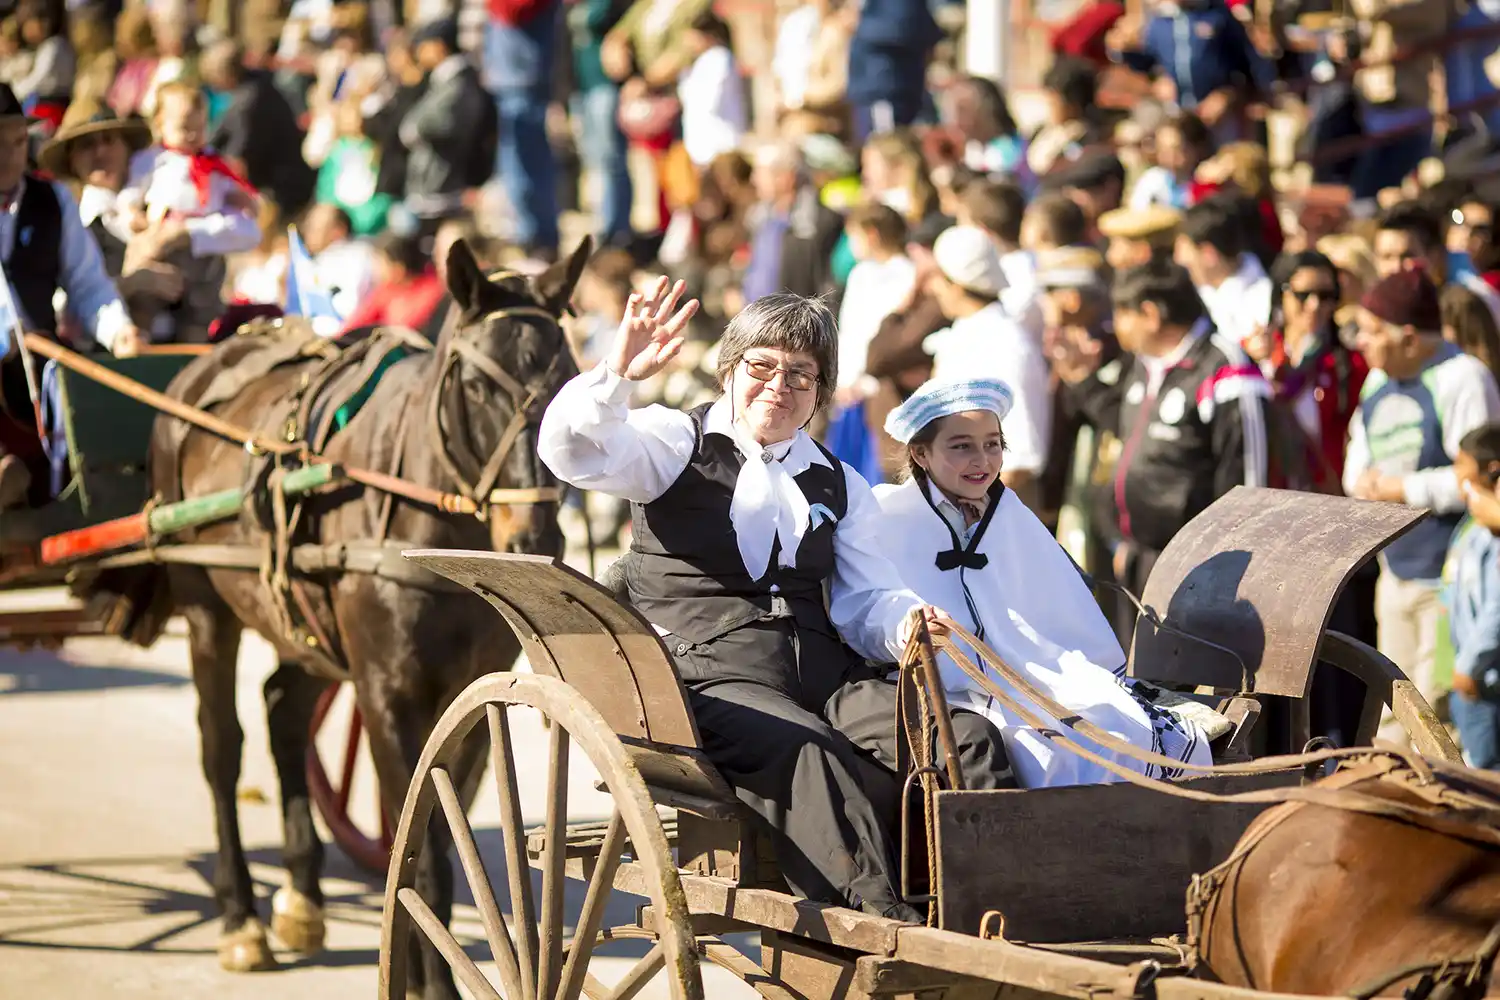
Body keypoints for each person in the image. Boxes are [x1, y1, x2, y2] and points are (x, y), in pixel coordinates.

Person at [538, 284, 1013, 922]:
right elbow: (572, 451)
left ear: (819, 392)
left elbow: (867, 597)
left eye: (800, 374)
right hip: (708, 676)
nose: (778, 386)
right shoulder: (674, 441)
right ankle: (885, 927)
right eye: (761, 367)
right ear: (729, 370)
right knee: (809, 751)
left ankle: (1000, 912)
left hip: (823, 673)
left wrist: (905, 622)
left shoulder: (839, 479)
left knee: (967, 739)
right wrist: (617, 373)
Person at [875, 377, 1213, 786]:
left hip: (1030, 672)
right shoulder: (889, 517)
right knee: (1039, 746)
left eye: (993, 444)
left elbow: (1052, 606)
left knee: (1112, 724)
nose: (982, 459)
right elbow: (874, 608)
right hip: (948, 687)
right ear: (921, 453)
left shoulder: (1008, 514)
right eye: (961, 446)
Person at [1048, 260, 1270, 644]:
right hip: (1140, 559)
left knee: (1186, 686)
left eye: (1122, 313)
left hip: (1197, 565)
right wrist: (1082, 380)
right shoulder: (1145, 364)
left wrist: (1225, 564)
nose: (1117, 326)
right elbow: (1129, 428)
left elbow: (1249, 478)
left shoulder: (1224, 369)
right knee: (1142, 681)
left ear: (1149, 313)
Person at [1344, 267, 1500, 744]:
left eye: (1372, 333)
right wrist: (1368, 486)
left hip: (1446, 579)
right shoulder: (1376, 382)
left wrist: (1402, 488)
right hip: (1394, 570)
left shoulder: (1462, 378)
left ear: (1409, 338)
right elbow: (1356, 466)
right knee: (1391, 711)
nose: (1361, 345)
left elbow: (1477, 480)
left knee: (1435, 716)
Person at [0, 84, 140, 508]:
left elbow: (87, 286)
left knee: (84, 399)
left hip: (36, 380)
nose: (10, 155)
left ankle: (71, 498)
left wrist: (120, 331)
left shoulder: (52, 200)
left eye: (18, 141)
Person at [115, 82, 262, 343]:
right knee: (145, 304)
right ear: (160, 124)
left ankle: (191, 353)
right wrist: (130, 214)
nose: (194, 136)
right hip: (160, 248)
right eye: (184, 128)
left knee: (200, 314)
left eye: (200, 128)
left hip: (203, 256)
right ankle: (140, 346)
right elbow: (131, 193)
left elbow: (236, 195)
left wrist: (242, 198)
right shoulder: (151, 160)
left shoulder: (213, 165)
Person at [1445, 422, 1500, 769]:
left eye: (1463, 466)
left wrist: (1469, 665)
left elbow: (1497, 611)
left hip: (1484, 680)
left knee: (1485, 779)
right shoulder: (1472, 527)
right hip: (1468, 681)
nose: (1458, 478)